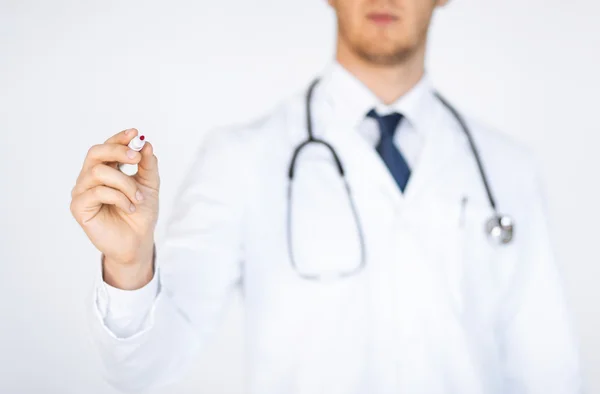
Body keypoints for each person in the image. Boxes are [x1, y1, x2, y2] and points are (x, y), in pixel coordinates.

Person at [70, 0, 583, 393]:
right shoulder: (242, 158)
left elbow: (548, 368)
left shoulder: (508, 167)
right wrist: (130, 264)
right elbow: (148, 365)